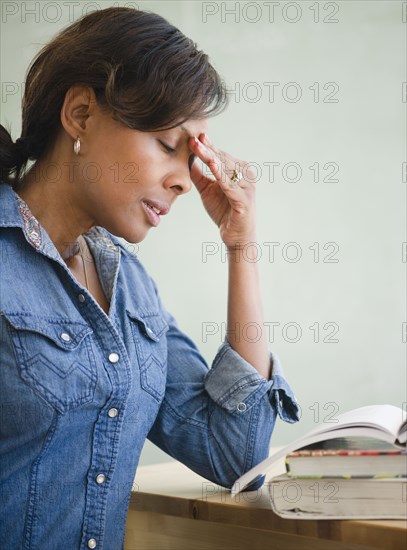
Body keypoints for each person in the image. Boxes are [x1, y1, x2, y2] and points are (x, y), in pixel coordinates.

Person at [0, 7, 299, 550]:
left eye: (193, 159)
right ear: (81, 114)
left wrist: (241, 245)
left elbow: (235, 453)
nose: (185, 181)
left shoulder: (130, 288)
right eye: (168, 146)